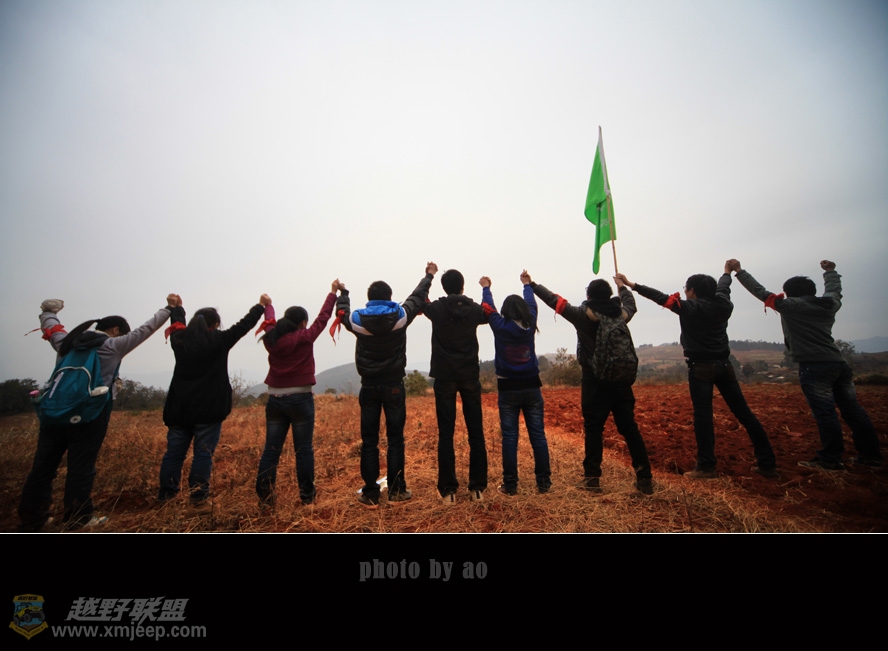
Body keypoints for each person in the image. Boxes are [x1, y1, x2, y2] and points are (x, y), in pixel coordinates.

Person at [19, 295, 178, 531]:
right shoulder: (112, 346)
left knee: (42, 467)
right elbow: (146, 329)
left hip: (53, 413)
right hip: (90, 414)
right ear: (115, 330)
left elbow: (52, 328)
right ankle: (78, 518)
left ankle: (33, 518)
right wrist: (169, 308)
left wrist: (48, 312)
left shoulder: (67, 343)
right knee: (81, 466)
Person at [620, 265, 778, 479]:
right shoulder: (724, 304)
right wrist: (727, 273)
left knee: (703, 416)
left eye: (686, 288)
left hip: (701, 367)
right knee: (744, 413)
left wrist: (631, 285)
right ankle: (767, 463)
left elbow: (659, 297)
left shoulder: (689, 308)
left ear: (692, 290)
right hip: (725, 365)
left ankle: (706, 466)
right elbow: (723, 288)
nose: (684, 291)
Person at [730, 258, 882, 470]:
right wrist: (831, 272)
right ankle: (870, 456)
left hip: (814, 366)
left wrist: (739, 271)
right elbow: (834, 292)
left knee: (825, 412)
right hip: (839, 363)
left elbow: (761, 292)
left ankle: (831, 459)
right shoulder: (828, 304)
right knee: (852, 409)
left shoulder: (791, 305)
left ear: (789, 293)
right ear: (812, 291)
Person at [530, 272, 653, 494]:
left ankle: (592, 478)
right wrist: (622, 286)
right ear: (608, 295)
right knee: (629, 428)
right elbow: (631, 304)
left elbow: (555, 301)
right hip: (621, 379)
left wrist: (532, 284)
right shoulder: (620, 315)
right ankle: (644, 478)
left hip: (594, 380)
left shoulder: (583, 315)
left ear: (589, 296)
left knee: (594, 428)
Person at [336, 264, 436, 508]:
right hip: (393, 385)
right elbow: (416, 297)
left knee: (369, 441)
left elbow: (343, 312)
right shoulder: (400, 316)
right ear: (390, 297)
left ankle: (371, 493)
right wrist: (429, 276)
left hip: (369, 386)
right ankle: (396, 490)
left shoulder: (357, 320)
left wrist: (343, 293)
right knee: (395, 439)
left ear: (369, 298)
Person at [158, 294, 270, 509]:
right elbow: (244, 325)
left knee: (173, 454)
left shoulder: (179, 340)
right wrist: (261, 306)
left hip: (179, 408)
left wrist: (176, 308)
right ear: (216, 324)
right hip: (209, 410)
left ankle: (166, 497)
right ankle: (198, 498)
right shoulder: (220, 340)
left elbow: (177, 324)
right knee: (203, 454)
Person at [256, 281, 343, 507]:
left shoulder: (271, 339)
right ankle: (307, 497)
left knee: (271, 451)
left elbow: (269, 322)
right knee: (303, 450)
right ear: (303, 322)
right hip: (300, 399)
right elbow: (323, 318)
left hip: (275, 399)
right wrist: (333, 293)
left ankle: (265, 499)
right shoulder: (305, 337)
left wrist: (268, 306)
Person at [481, 271, 551, 495]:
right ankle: (544, 484)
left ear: (506, 311)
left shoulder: (499, 326)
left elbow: (488, 308)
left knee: (510, 438)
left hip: (507, 388)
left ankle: (510, 485)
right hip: (532, 386)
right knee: (538, 436)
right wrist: (527, 285)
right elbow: (532, 304)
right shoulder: (530, 324)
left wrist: (486, 287)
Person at [423, 268, 489, 504]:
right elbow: (489, 311)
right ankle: (477, 489)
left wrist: (428, 276)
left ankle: (449, 491)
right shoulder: (474, 310)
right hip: (469, 374)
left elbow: (420, 299)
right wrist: (486, 289)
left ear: (444, 287)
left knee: (446, 434)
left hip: (444, 376)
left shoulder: (436, 309)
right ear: (462, 286)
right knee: (476, 432)